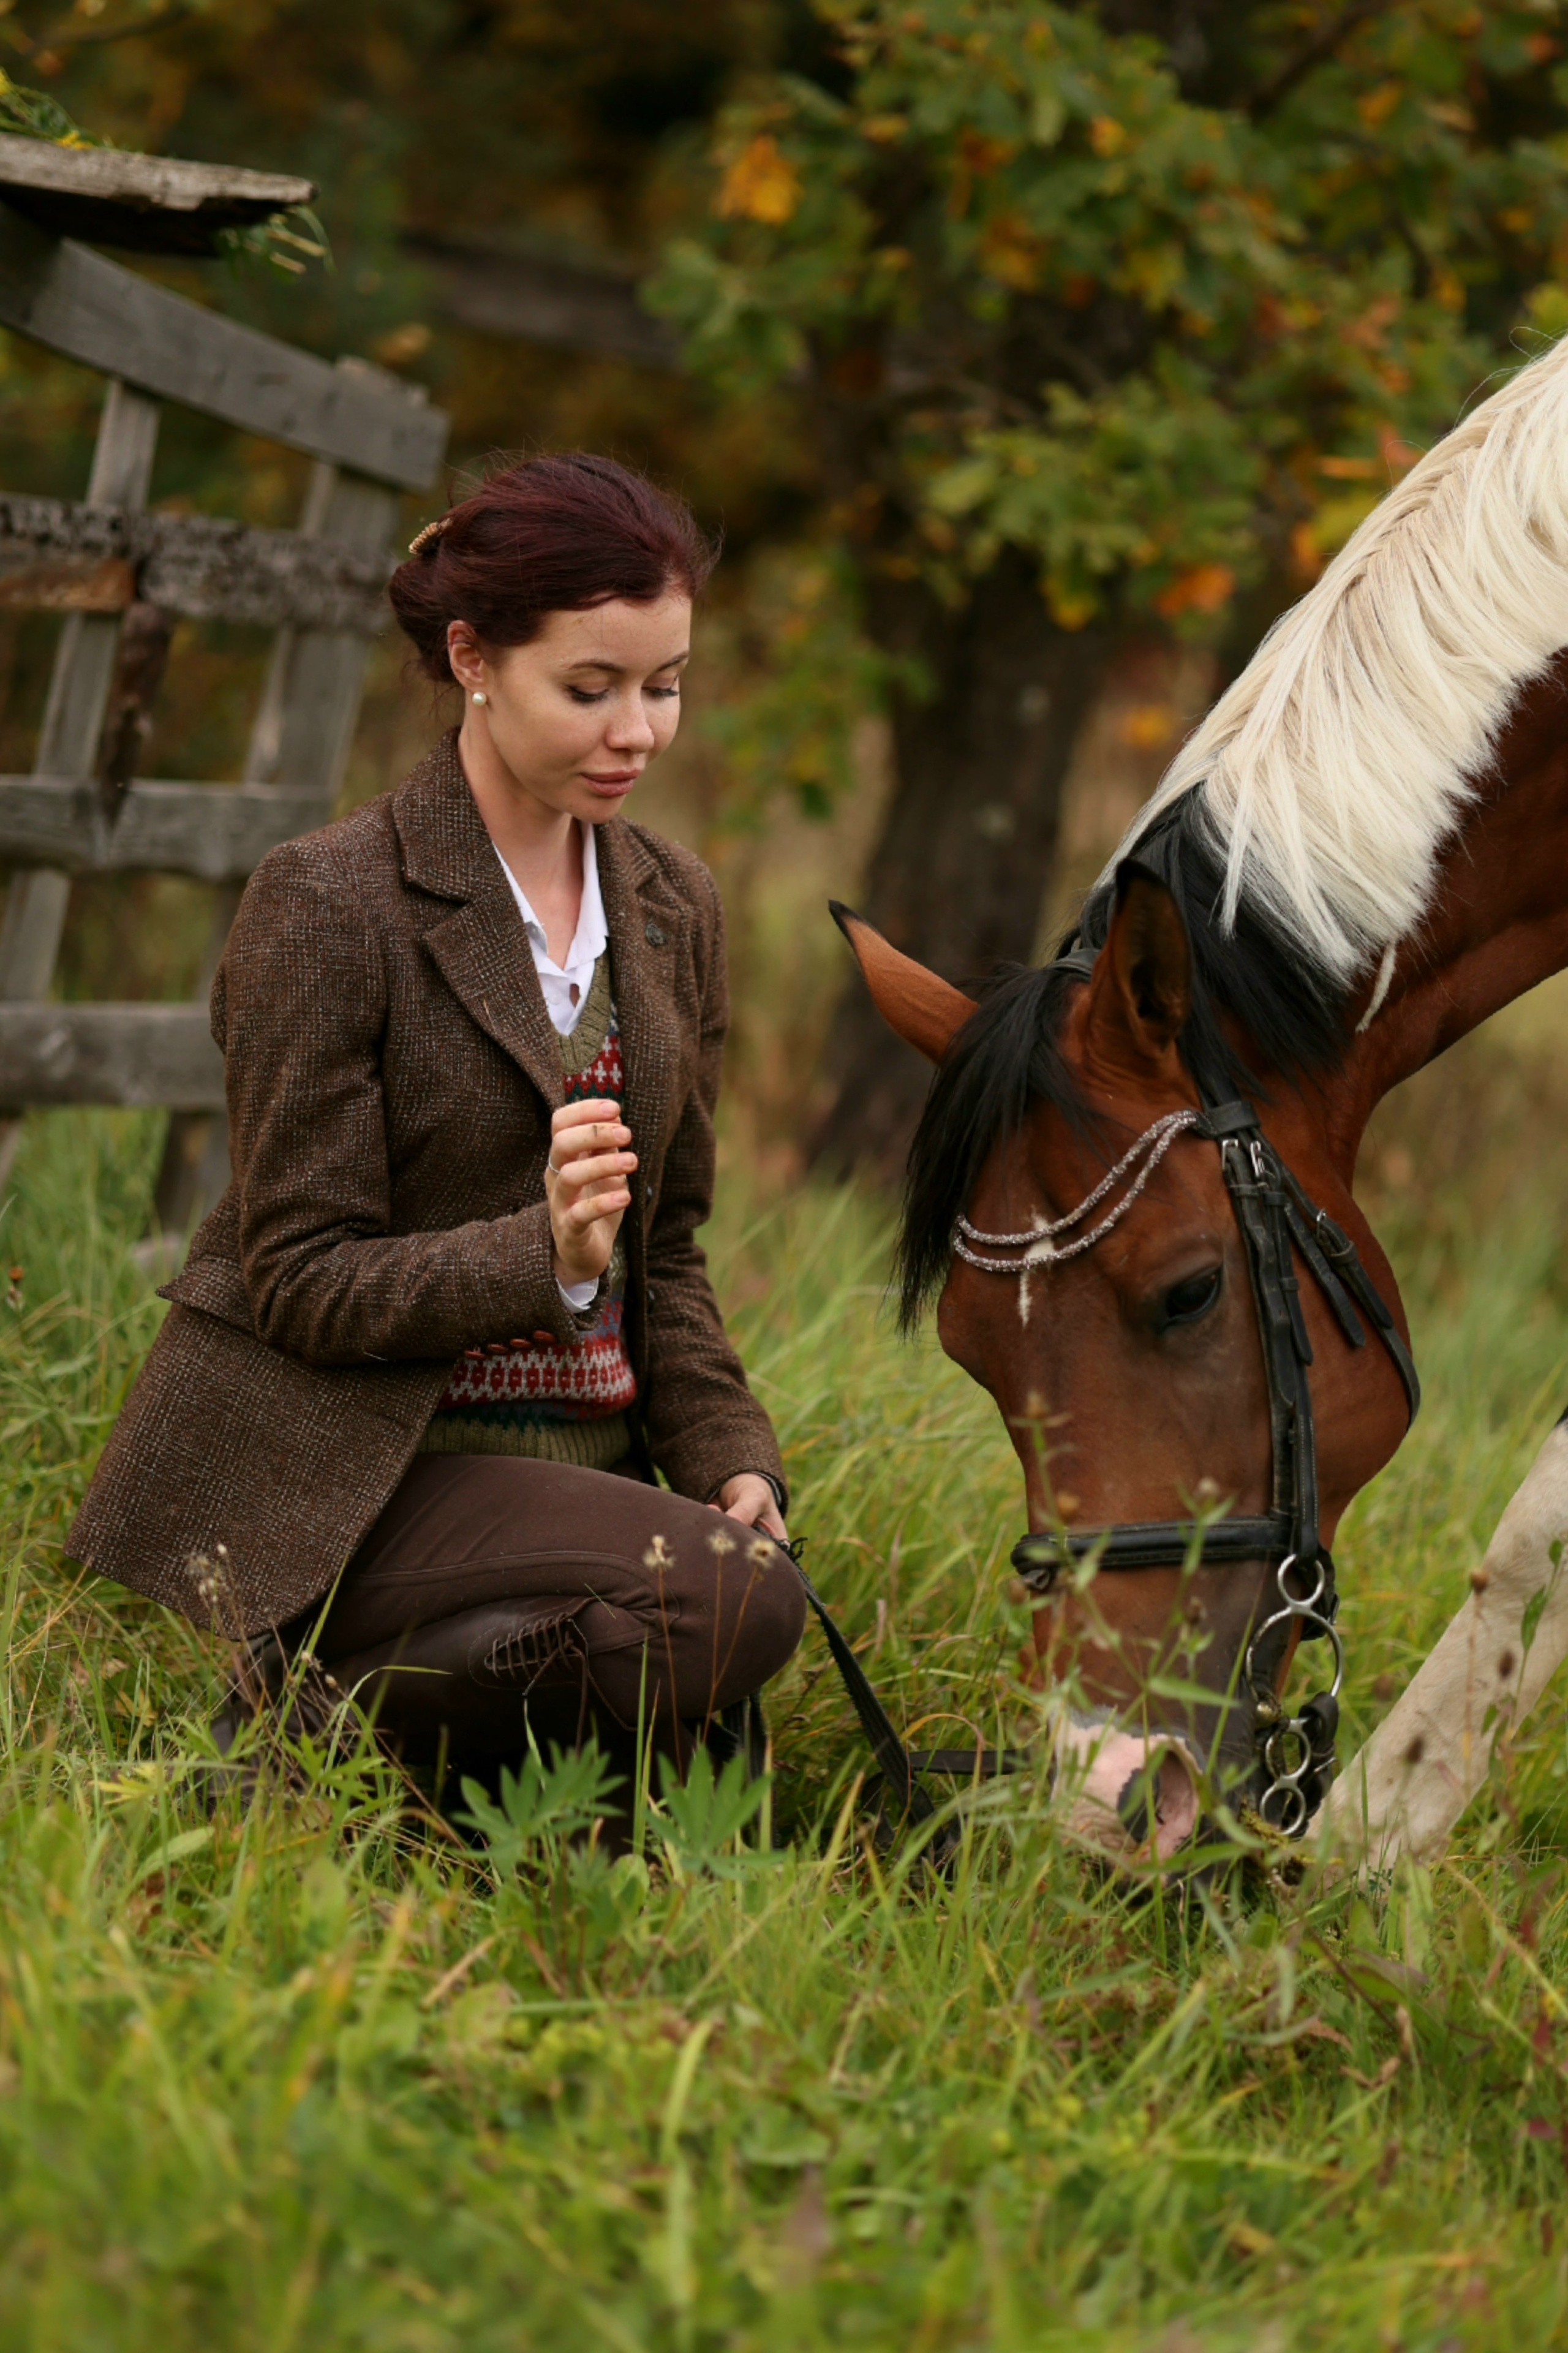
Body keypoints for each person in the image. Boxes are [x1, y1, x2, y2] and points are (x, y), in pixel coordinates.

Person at [67, 451, 805, 1799]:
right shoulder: (329, 902)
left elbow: (669, 1253)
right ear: (472, 657)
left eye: (664, 686)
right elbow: (300, 1282)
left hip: (582, 1481)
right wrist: (542, 1255)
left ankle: (420, 1767)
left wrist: (729, 1457)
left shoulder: (674, 905)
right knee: (732, 1610)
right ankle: (305, 1729)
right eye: (588, 688)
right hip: (369, 1475)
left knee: (733, 1618)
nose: (636, 732)